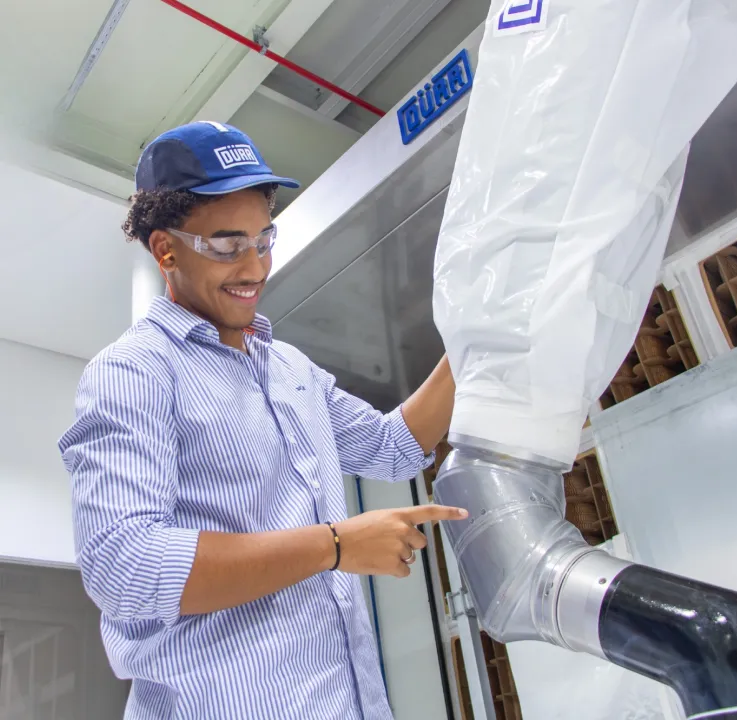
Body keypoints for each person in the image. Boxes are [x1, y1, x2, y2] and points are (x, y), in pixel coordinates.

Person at [58, 121, 467, 720]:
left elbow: (394, 447)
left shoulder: (287, 367)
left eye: (264, 239)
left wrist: (475, 342)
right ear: (165, 250)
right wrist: (334, 545)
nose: (254, 268)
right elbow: (126, 566)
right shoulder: (135, 373)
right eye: (227, 246)